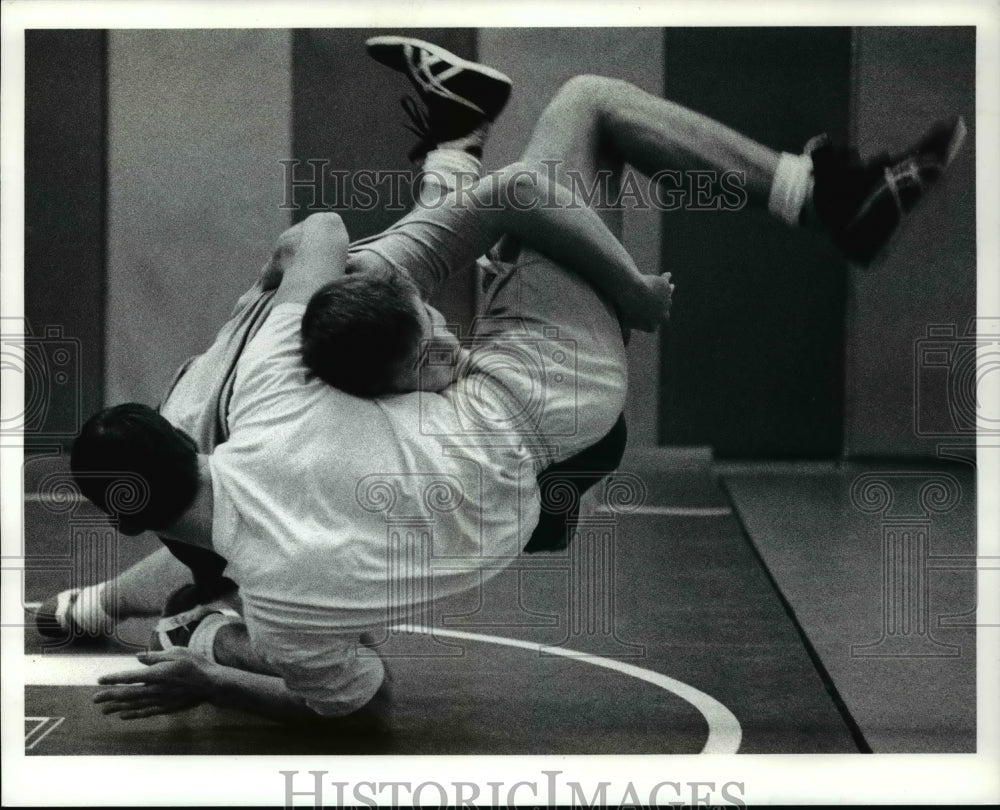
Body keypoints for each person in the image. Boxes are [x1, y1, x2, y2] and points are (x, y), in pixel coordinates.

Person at [83, 37, 964, 724]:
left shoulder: (278, 587)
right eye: (422, 347)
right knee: (583, 109)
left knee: (486, 238)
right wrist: (627, 287)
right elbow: (339, 229)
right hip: (541, 403)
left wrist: (145, 630)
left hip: (533, 485)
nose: (441, 340)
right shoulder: (275, 390)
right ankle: (821, 196)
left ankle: (455, 145)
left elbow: (341, 687)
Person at [35, 38, 636, 642]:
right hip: (462, 426)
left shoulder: (275, 408)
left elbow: (487, 207)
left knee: (429, 256)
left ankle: (460, 142)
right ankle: (458, 141)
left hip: (469, 421)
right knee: (428, 260)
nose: (448, 345)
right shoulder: (263, 437)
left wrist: (631, 290)